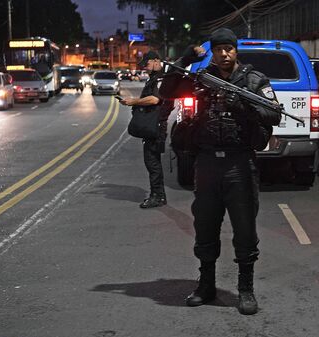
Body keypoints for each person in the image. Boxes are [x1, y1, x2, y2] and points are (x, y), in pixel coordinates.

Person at [168, 28, 280, 315]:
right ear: (214, 52)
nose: (224, 54)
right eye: (219, 49)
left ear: (236, 50)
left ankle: (245, 290)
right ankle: (206, 286)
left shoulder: (254, 80)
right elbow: (167, 91)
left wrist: (243, 106)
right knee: (205, 227)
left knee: (244, 229)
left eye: (229, 48)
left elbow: (274, 114)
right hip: (206, 164)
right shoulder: (202, 79)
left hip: (239, 164)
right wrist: (184, 59)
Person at [120, 51, 174, 208]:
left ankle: (157, 196)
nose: (145, 66)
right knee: (152, 161)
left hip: (156, 125)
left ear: (157, 60)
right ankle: (158, 195)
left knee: (152, 162)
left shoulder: (161, 78)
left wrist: (134, 101)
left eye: (147, 63)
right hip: (153, 124)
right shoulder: (155, 78)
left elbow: (155, 99)